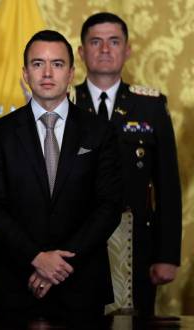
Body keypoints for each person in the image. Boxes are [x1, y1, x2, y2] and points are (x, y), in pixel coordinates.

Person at [0, 30, 122, 323]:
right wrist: (36, 258)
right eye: (37, 63)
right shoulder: (0, 133)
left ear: (70, 73)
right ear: (25, 73)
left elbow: (109, 206)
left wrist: (59, 265)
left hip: (82, 285)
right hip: (18, 283)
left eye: (56, 64)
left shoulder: (100, 131)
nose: (46, 72)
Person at [73, 12, 182, 316]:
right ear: (81, 52)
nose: (105, 49)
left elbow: (168, 186)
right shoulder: (63, 102)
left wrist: (167, 255)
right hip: (74, 247)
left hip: (137, 248)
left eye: (113, 41)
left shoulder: (150, 106)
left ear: (127, 50)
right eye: (95, 42)